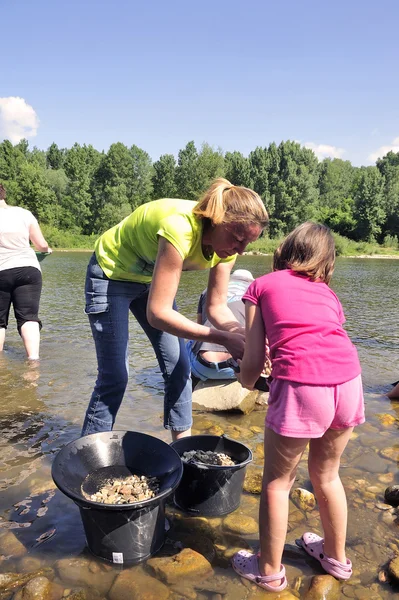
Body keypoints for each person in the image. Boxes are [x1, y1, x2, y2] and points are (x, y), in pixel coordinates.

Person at [232, 222, 365, 591]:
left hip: (304, 385)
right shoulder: (329, 294)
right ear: (327, 261)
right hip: (349, 381)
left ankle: (269, 570)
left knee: (277, 483)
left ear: (284, 250)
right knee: (327, 475)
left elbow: (255, 360)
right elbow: (321, 336)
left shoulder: (260, 286)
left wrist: (245, 381)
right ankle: (336, 559)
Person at [82, 178, 268, 441]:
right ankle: (87, 455)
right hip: (111, 273)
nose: (240, 249)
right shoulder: (180, 228)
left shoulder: (228, 249)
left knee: (179, 366)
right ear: (216, 221)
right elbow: (157, 314)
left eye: (247, 243)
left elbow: (216, 308)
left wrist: (244, 336)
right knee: (115, 375)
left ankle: (184, 450)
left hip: (148, 278)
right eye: (237, 239)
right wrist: (221, 338)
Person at [0, 184, 52, 360]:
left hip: (1, 272)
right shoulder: (24, 213)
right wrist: (46, 249)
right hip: (28, 269)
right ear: (3, 194)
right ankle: (33, 361)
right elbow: (41, 245)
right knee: (29, 317)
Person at [186, 269, 255, 383]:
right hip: (239, 367)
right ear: (250, 282)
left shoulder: (209, 289)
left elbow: (199, 327)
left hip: (203, 366)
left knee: (188, 343)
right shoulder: (255, 292)